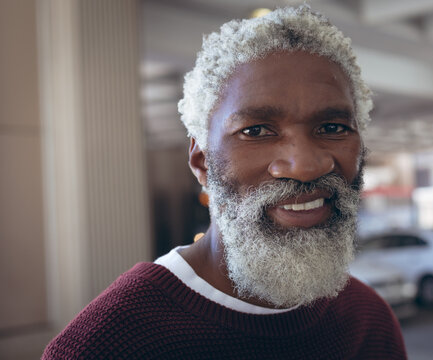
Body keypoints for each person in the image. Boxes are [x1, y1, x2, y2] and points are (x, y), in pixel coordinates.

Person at [43, 5, 407, 359]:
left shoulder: (367, 320)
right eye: (256, 130)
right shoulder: (108, 344)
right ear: (201, 162)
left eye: (332, 128)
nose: (306, 165)